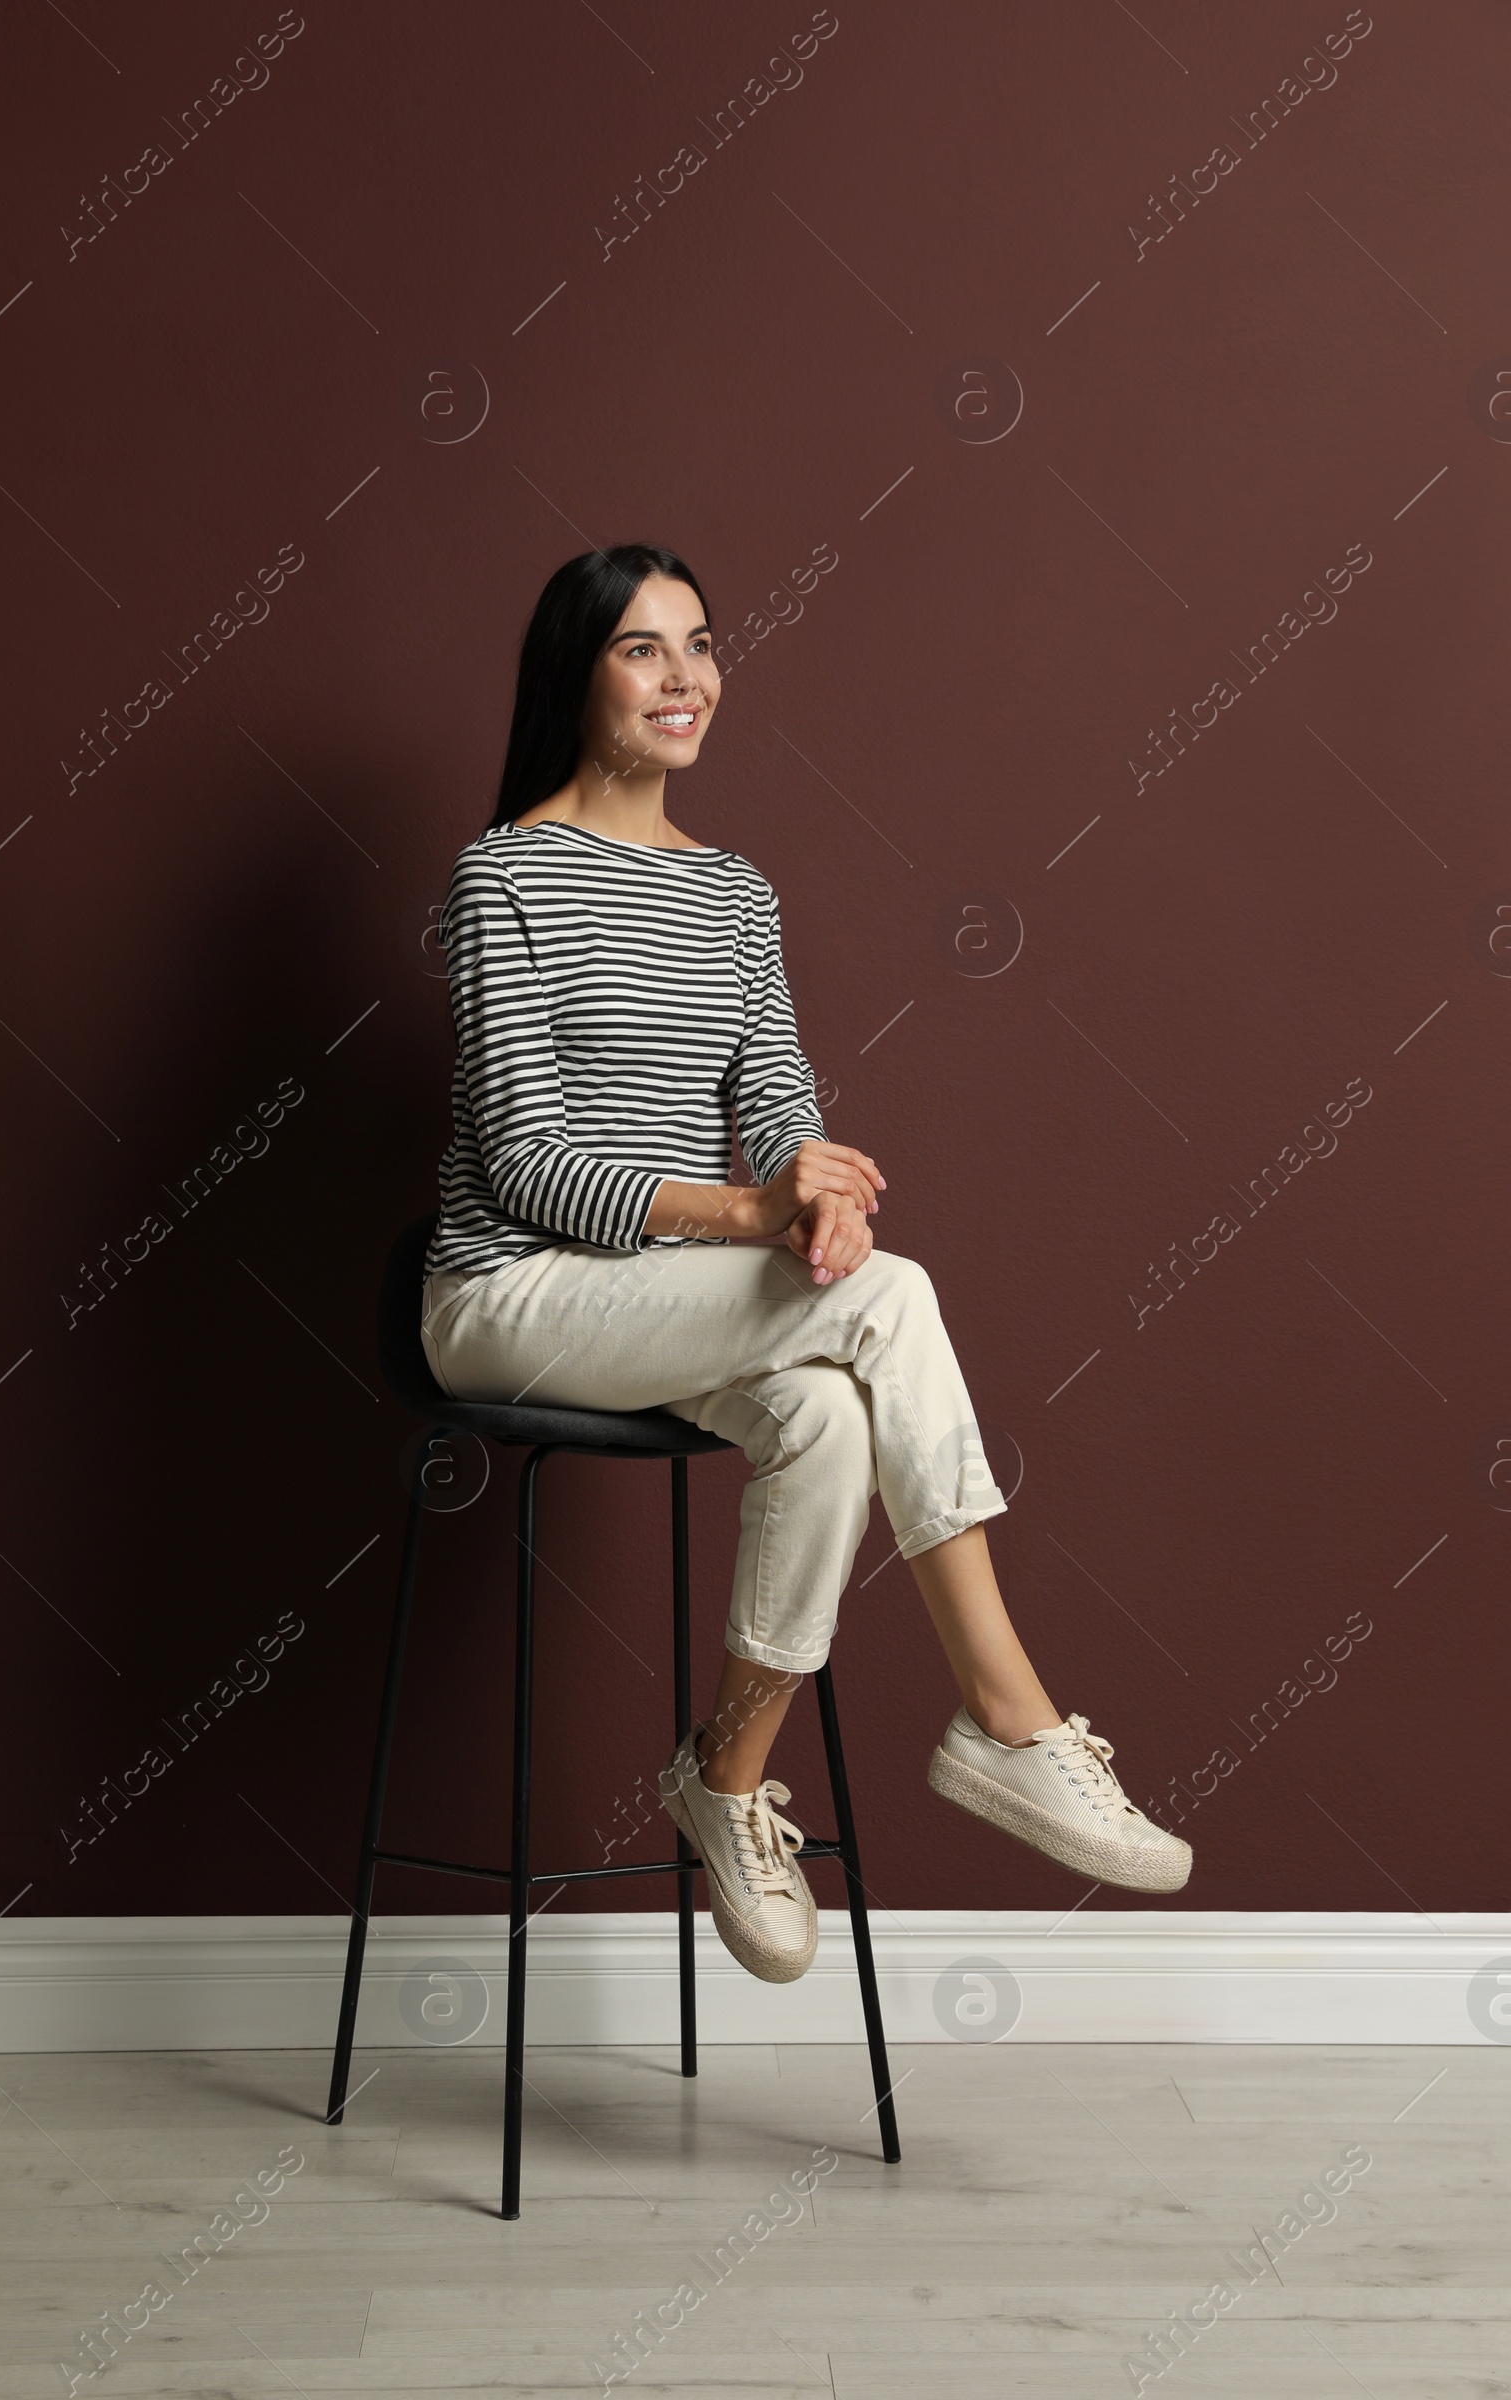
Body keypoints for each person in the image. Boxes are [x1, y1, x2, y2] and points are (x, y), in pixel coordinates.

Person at [420, 544, 1191, 1985]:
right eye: (644, 650)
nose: (685, 677)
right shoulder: (503, 875)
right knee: (892, 1304)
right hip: (507, 1298)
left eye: (701, 645)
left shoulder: (736, 894)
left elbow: (776, 1101)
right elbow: (524, 1162)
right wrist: (751, 1214)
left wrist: (821, 1197)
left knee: (834, 1411)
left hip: (658, 1305)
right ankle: (1007, 1718)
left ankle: (723, 1780)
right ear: (573, 675)